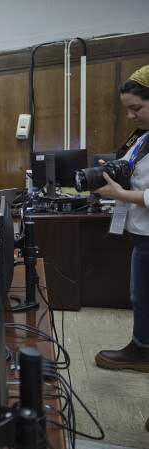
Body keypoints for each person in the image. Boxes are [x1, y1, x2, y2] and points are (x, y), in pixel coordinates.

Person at [93, 65, 149, 379]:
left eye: (136, 108)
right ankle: (141, 348)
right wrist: (110, 176)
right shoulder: (142, 137)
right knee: (140, 299)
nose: (130, 116)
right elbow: (130, 172)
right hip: (141, 235)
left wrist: (122, 195)